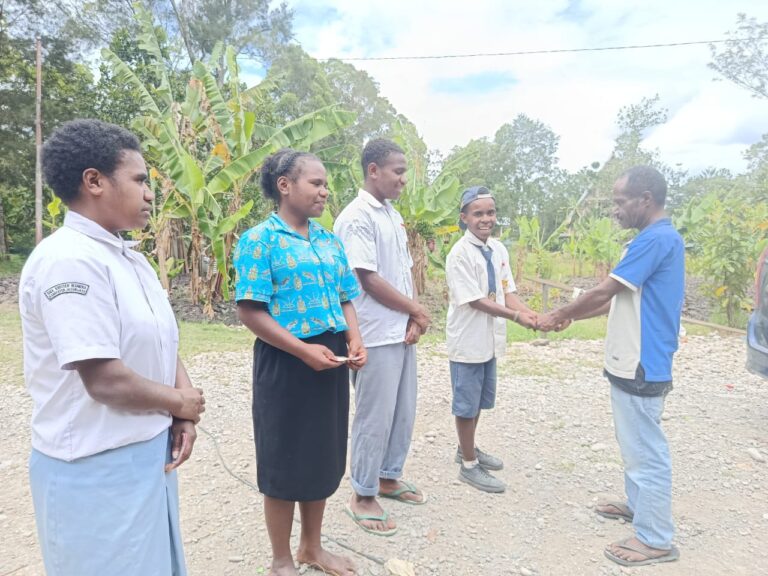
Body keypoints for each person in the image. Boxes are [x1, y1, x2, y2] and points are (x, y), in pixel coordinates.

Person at [20, 119, 205, 576]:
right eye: (140, 180)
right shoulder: (70, 260)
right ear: (94, 181)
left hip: (142, 453)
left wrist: (180, 411)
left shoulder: (129, 259)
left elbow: (162, 340)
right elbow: (104, 379)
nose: (149, 193)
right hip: (92, 467)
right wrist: (179, 400)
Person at [538, 165, 684, 567]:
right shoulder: (648, 240)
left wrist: (558, 313)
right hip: (633, 359)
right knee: (633, 441)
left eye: (621, 202)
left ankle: (655, 538)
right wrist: (571, 316)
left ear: (646, 200)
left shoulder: (655, 239)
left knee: (645, 450)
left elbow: (605, 289)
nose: (615, 210)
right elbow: (614, 299)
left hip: (642, 360)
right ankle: (640, 507)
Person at [234, 149, 366, 576]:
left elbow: (346, 296)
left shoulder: (329, 240)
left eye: (326, 184)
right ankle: (280, 560)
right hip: (286, 362)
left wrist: (355, 338)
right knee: (283, 459)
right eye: (316, 183)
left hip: (329, 359)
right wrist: (303, 350)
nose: (325, 191)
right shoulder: (260, 240)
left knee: (321, 455)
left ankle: (312, 547)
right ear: (284, 185)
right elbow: (251, 311)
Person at [333, 138, 429, 537]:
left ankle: (388, 477)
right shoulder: (358, 217)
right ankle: (363, 493)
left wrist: (413, 314)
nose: (404, 180)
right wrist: (417, 310)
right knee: (374, 416)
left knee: (402, 410)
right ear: (374, 170)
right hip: (372, 332)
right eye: (398, 171)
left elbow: (401, 271)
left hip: (398, 329)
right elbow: (368, 279)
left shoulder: (390, 213)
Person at [445, 186, 541, 493]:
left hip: (489, 339)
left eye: (490, 213)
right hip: (468, 339)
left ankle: (467, 448)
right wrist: (515, 317)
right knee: (465, 404)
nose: (486, 219)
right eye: (478, 213)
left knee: (480, 401)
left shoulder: (498, 250)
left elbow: (507, 291)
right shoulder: (459, 254)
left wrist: (532, 316)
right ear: (464, 218)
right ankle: (469, 465)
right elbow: (474, 300)